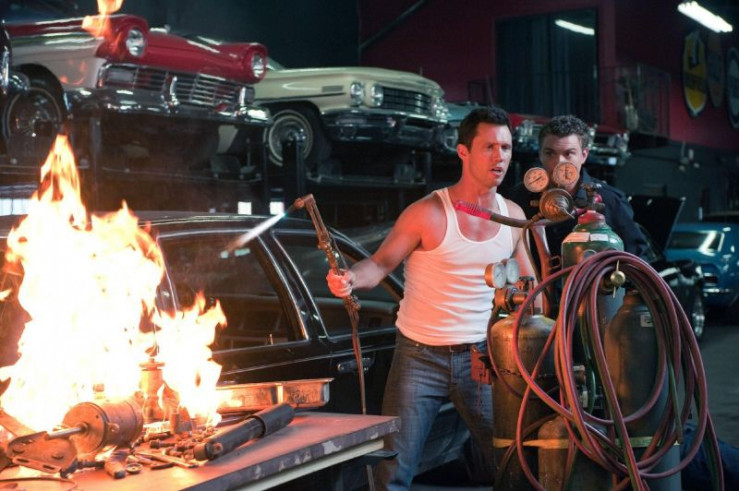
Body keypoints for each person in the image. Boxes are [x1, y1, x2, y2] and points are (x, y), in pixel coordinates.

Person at [326, 106, 538, 490]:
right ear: (463, 152)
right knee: (394, 469)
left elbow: (530, 288)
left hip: (481, 356)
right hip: (419, 356)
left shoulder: (512, 215)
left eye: (505, 148)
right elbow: (379, 265)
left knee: (512, 461)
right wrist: (349, 278)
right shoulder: (427, 213)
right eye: (489, 147)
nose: (499, 157)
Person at [509, 114, 649, 263]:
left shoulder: (611, 202)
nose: (559, 162)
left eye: (568, 154)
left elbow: (639, 260)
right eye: (550, 153)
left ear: (584, 155)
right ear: (540, 154)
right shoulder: (518, 199)